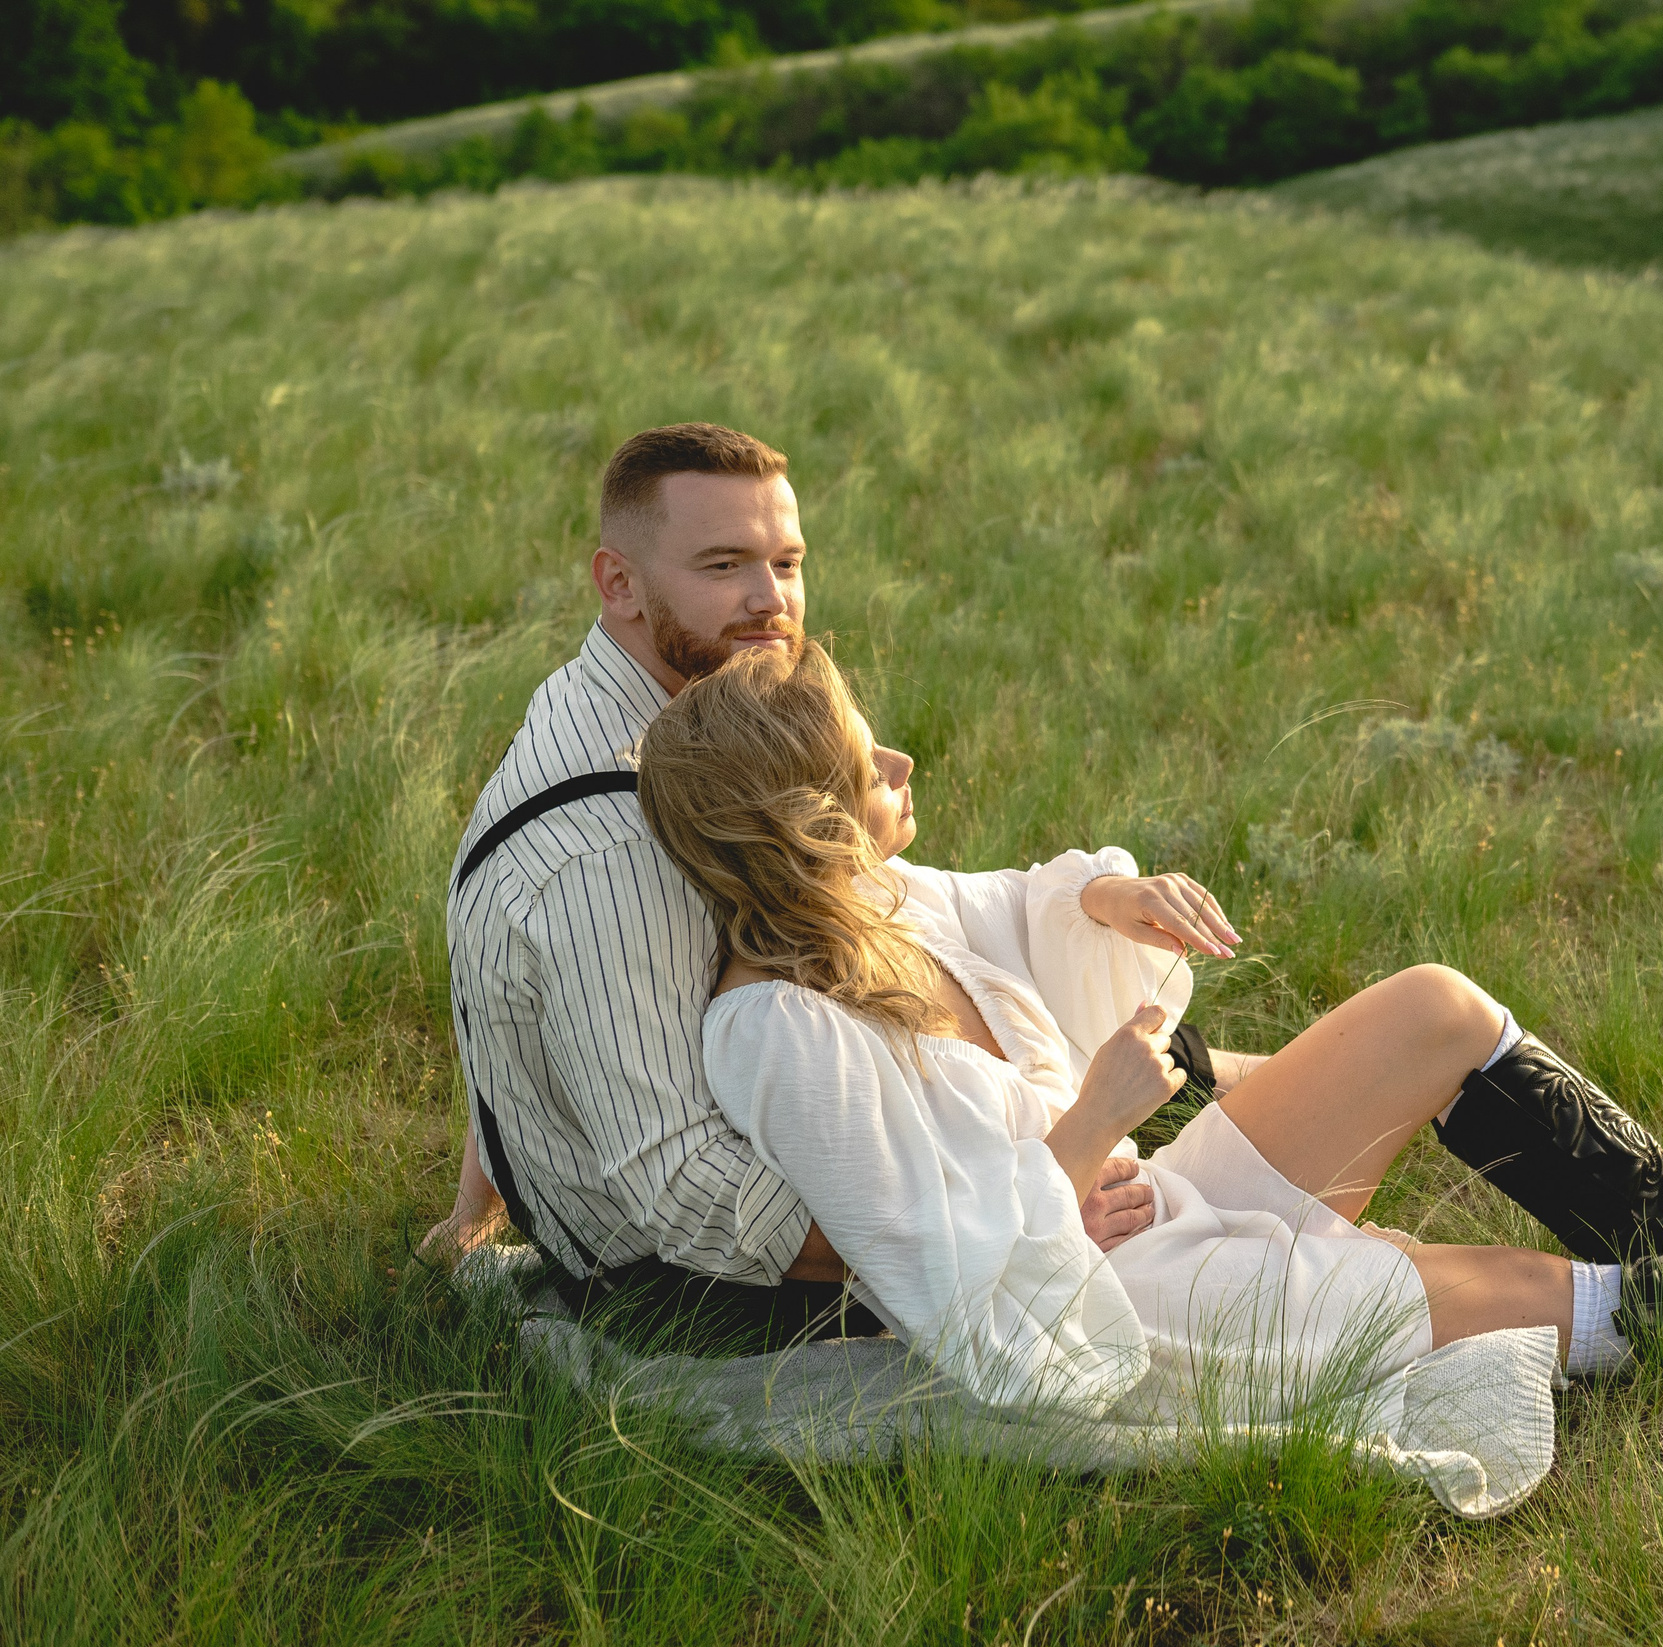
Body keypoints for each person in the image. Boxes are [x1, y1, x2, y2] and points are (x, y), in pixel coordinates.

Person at [635, 638, 1663, 1410]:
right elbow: (938, 1283)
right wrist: (1079, 1139)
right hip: (1135, 1311)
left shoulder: (888, 900)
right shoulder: (776, 1034)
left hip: (1154, 1212)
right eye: (863, 764)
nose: (902, 763)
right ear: (806, 824)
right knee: (1534, 1298)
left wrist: (1116, 901)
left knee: (1434, 1008)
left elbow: (1016, 902)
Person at [429, 422, 1239, 1347]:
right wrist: (1012, 1233)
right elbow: (685, 1194)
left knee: (999, 985)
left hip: (843, 1120)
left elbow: (535, 1012)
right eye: (725, 564)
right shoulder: (615, 847)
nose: (770, 601)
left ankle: (1213, 1088)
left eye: (787, 561)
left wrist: (470, 1210)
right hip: (702, 1287)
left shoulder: (662, 707)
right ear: (618, 583)